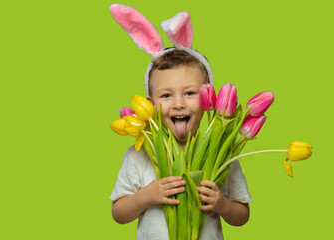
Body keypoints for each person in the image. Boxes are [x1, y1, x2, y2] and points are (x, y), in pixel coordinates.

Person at [108, 5, 252, 239]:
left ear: (209, 99)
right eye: (166, 95)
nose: (178, 104)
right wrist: (147, 195)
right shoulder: (138, 155)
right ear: (150, 104)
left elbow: (242, 215)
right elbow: (118, 214)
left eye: (189, 93)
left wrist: (222, 205)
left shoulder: (224, 157)